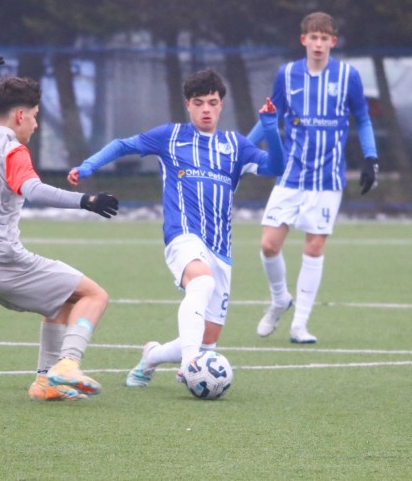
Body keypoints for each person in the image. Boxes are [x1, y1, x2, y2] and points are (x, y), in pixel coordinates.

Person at [67, 69, 285, 388]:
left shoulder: (235, 145)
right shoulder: (170, 136)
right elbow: (122, 145)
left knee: (207, 341)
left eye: (212, 102)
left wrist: (271, 128)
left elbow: (276, 167)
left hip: (220, 247)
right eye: (199, 103)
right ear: (188, 105)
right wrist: (88, 166)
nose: (206, 109)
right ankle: (189, 363)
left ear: (221, 105)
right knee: (201, 282)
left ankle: (152, 356)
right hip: (182, 235)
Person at [0, 56, 118, 401]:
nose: (36, 124)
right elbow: (35, 190)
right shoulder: (12, 150)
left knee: (64, 302)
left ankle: (45, 382)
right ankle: (68, 364)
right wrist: (86, 200)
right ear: (20, 116)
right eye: (35, 116)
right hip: (1, 261)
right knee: (95, 295)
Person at [248, 11, 379, 344]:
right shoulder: (287, 74)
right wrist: (242, 149)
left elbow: (363, 118)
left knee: (315, 245)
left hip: (327, 178)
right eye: (313, 37)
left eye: (324, 38)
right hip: (291, 174)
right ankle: (280, 299)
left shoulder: (348, 76)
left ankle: (300, 325)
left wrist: (370, 157)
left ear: (333, 42)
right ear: (303, 40)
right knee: (268, 245)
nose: (318, 44)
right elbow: (270, 117)